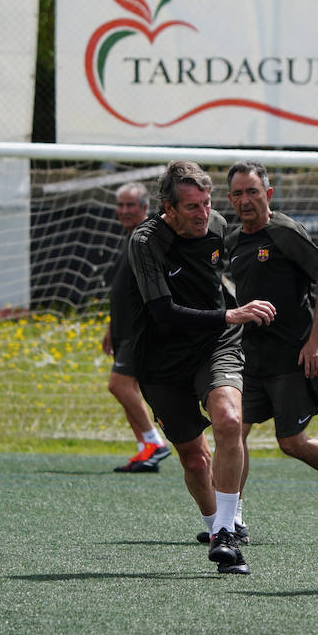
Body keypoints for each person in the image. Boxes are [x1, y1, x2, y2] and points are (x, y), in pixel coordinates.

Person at [194, 161, 318, 546]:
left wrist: (314, 341)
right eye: (237, 193)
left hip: (292, 358)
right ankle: (230, 521)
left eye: (252, 192)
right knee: (234, 434)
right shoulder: (233, 244)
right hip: (250, 358)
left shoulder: (284, 232)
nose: (245, 200)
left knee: (292, 443)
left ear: (267, 194)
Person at [128, 160, 277, 575]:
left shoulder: (215, 224)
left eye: (206, 202)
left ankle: (228, 533)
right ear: (168, 208)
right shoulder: (146, 241)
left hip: (216, 344)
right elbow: (162, 312)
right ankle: (216, 528)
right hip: (162, 359)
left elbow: (254, 250)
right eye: (191, 206)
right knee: (195, 459)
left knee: (229, 419)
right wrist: (230, 315)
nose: (202, 213)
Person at [103, 182, 172, 473]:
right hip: (122, 328)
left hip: (138, 329)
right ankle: (146, 449)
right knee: (127, 388)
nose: (125, 210)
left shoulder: (148, 239)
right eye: (121, 205)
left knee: (118, 386)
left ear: (145, 208)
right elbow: (123, 291)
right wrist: (110, 327)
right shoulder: (131, 238)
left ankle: (156, 443)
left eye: (131, 205)